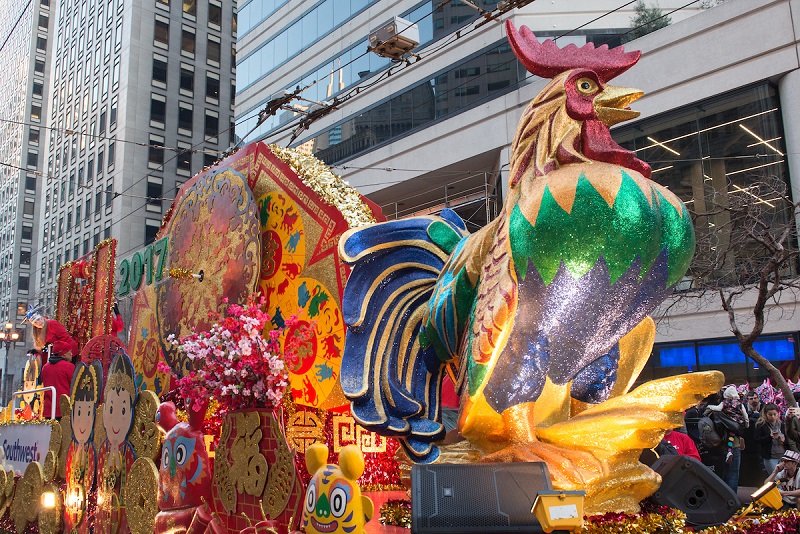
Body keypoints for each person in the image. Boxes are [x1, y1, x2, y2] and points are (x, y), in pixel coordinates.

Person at [707, 385, 748, 493]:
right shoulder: (739, 404)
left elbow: (715, 410)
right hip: (735, 440)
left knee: (725, 473)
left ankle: (725, 497)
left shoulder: (718, 409)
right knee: (734, 473)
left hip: (722, 442)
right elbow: (745, 416)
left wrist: (710, 407)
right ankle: (732, 498)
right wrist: (746, 424)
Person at [40, 347, 75, 419]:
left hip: (49, 409)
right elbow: (75, 384)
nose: (72, 354)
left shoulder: (45, 367)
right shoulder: (68, 366)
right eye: (70, 352)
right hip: (64, 408)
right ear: (64, 354)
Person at [755, 403, 787, 475]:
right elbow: (757, 439)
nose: (773, 417)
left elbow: (788, 438)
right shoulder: (761, 425)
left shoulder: (781, 425)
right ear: (766, 414)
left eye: (774, 414)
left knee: (783, 476)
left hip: (782, 454)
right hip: (770, 456)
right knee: (774, 476)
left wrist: (783, 439)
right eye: (770, 415)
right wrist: (769, 437)